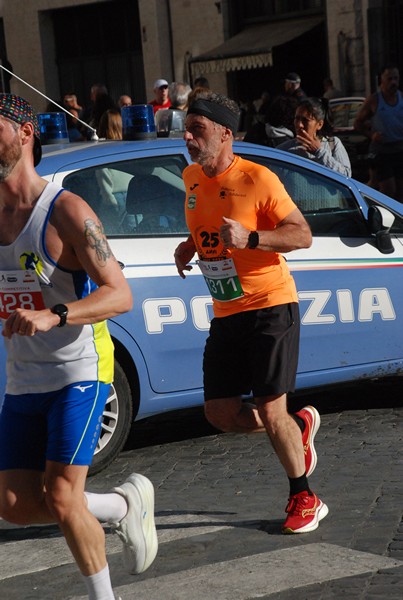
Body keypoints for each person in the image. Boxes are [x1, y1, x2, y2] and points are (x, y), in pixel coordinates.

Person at [0, 94, 158, 600]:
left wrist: (54, 315)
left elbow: (120, 293)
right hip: (24, 379)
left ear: (25, 133)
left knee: (63, 498)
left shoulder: (65, 210)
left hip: (79, 373)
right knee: (14, 503)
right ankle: (118, 507)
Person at [174, 90, 328, 534]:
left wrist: (253, 239)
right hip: (226, 308)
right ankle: (298, 428)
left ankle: (304, 495)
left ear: (225, 134)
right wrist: (190, 246)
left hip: (270, 304)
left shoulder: (259, 179)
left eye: (197, 130)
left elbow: (301, 235)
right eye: (187, 128)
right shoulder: (190, 177)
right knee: (219, 413)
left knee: (269, 406)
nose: (187, 137)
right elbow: (206, 226)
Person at [354, 65, 403, 201]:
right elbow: (357, 123)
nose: (393, 82)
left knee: (400, 192)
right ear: (382, 80)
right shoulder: (375, 100)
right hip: (382, 151)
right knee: (388, 189)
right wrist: (371, 135)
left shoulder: (401, 98)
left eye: (396, 78)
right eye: (389, 79)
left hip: (399, 149)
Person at [278, 96, 352, 177]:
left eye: (305, 120)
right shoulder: (284, 150)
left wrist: (319, 152)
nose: (299, 125)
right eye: (297, 118)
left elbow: (346, 175)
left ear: (319, 124)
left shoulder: (332, 144)